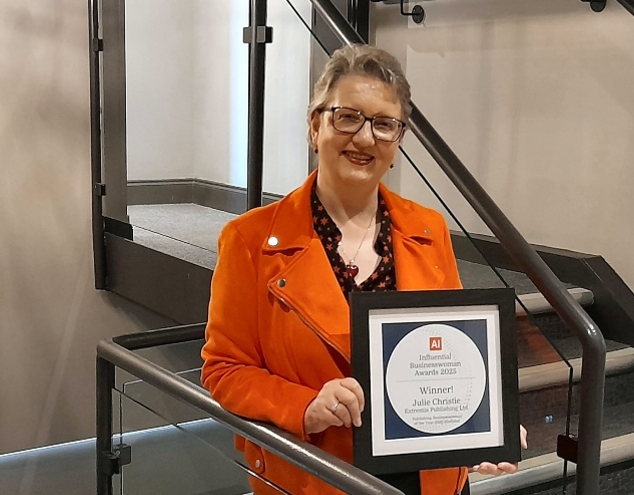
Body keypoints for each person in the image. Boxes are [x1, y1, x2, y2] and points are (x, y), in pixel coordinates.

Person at [201, 44, 526, 495]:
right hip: (320, 474)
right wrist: (305, 405)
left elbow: (453, 349)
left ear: (398, 141)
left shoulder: (429, 230)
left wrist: (483, 423)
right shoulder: (249, 240)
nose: (366, 138)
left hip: (426, 478)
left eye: (384, 124)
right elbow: (224, 370)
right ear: (315, 126)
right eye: (347, 116)